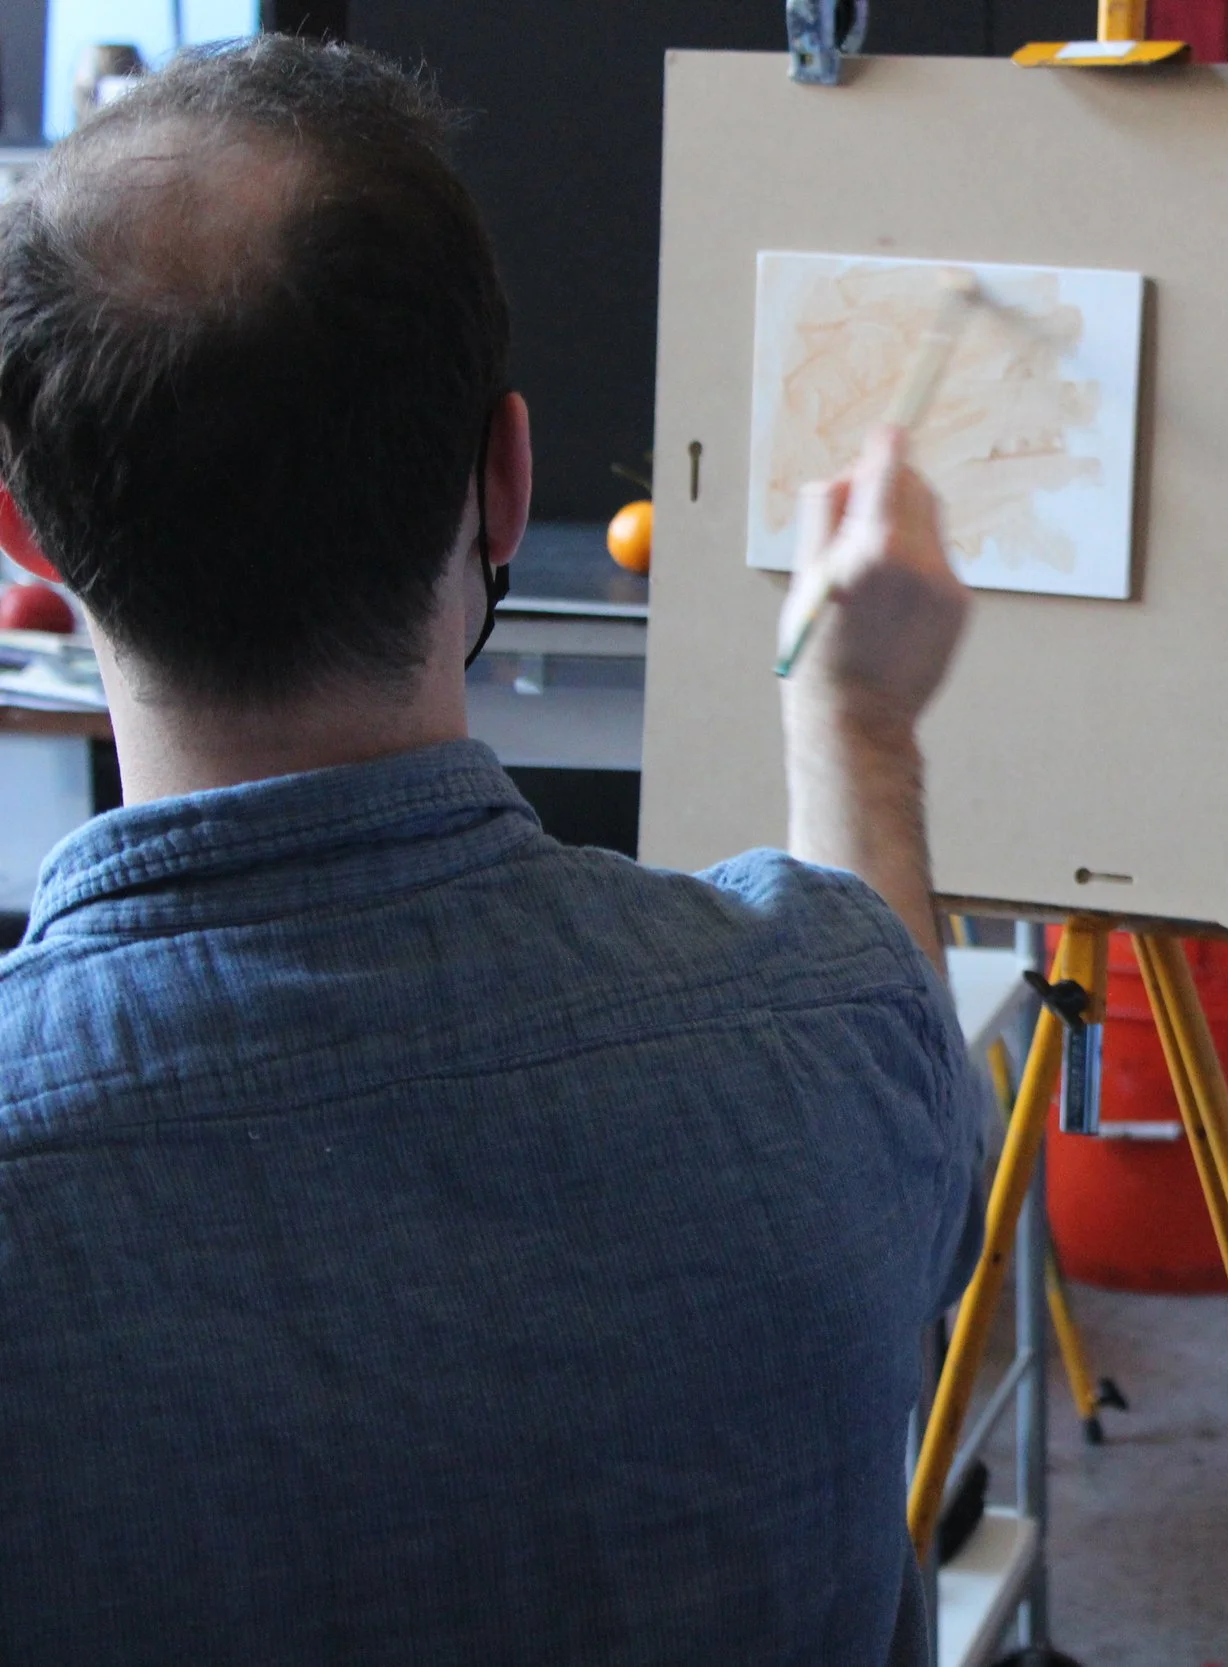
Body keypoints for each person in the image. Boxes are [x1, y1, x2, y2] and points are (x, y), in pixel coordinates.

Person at [0, 35, 984, 1664]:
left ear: (26, 529)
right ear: (505, 481)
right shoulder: (826, 1032)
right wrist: (857, 724)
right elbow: (920, 1140)